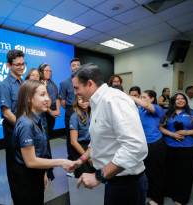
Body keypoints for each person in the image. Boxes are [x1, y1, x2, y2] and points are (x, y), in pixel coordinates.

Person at [72, 63, 148, 205]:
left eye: (77, 88)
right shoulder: (96, 102)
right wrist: (81, 160)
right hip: (112, 179)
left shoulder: (113, 100)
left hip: (127, 184)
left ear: (89, 83)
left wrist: (98, 176)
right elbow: (99, 140)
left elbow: (136, 147)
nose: (75, 93)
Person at [8, 80, 75, 205]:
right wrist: (61, 162)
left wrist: (43, 173)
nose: (48, 99)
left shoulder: (37, 120)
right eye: (42, 95)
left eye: (47, 95)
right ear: (29, 98)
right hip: (26, 182)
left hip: (35, 177)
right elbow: (31, 161)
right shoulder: (26, 124)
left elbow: (39, 153)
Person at [160, 93, 193, 205]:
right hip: (169, 146)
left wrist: (187, 132)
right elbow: (160, 127)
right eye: (177, 99)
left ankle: (181, 198)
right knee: (170, 171)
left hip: (187, 148)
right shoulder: (167, 113)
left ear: (186, 101)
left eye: (182, 98)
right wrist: (172, 134)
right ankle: (170, 192)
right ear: (173, 101)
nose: (180, 100)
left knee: (185, 173)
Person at [131, 90, 166, 205]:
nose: (141, 99)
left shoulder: (157, 108)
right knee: (145, 171)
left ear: (151, 99)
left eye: (144, 97)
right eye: (141, 97)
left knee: (156, 173)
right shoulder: (140, 110)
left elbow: (146, 105)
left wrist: (127, 96)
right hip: (142, 144)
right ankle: (148, 194)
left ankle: (157, 200)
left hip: (155, 144)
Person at [0, 49, 25, 189]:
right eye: (17, 64)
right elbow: (7, 113)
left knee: (26, 164)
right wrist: (24, 126)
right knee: (15, 169)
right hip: (13, 131)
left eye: (23, 64)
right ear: (9, 65)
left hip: (24, 130)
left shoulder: (24, 83)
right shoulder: (4, 85)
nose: (21, 67)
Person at [59, 58, 81, 160]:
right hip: (70, 111)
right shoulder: (64, 83)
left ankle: (82, 158)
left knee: (83, 136)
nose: (76, 67)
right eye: (73, 65)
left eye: (77, 65)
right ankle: (71, 159)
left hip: (84, 111)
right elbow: (62, 101)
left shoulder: (85, 81)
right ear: (70, 68)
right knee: (70, 138)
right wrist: (71, 109)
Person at [69, 95, 95, 178]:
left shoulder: (93, 113)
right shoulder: (74, 116)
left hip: (93, 146)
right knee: (84, 177)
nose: (83, 101)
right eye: (80, 99)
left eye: (85, 98)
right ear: (76, 101)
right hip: (81, 148)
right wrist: (87, 157)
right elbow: (73, 142)